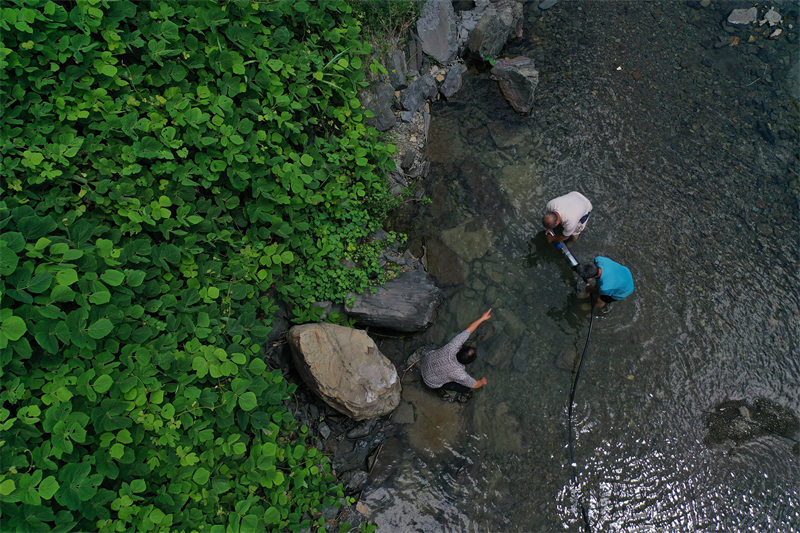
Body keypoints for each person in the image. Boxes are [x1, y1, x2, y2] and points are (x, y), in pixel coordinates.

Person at [419, 309, 492, 395]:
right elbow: (475, 385)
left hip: (424, 364)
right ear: (468, 363)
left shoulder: (452, 347)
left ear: (460, 349)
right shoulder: (460, 374)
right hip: (430, 382)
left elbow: (468, 331)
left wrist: (482, 318)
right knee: (466, 388)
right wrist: (482, 381)